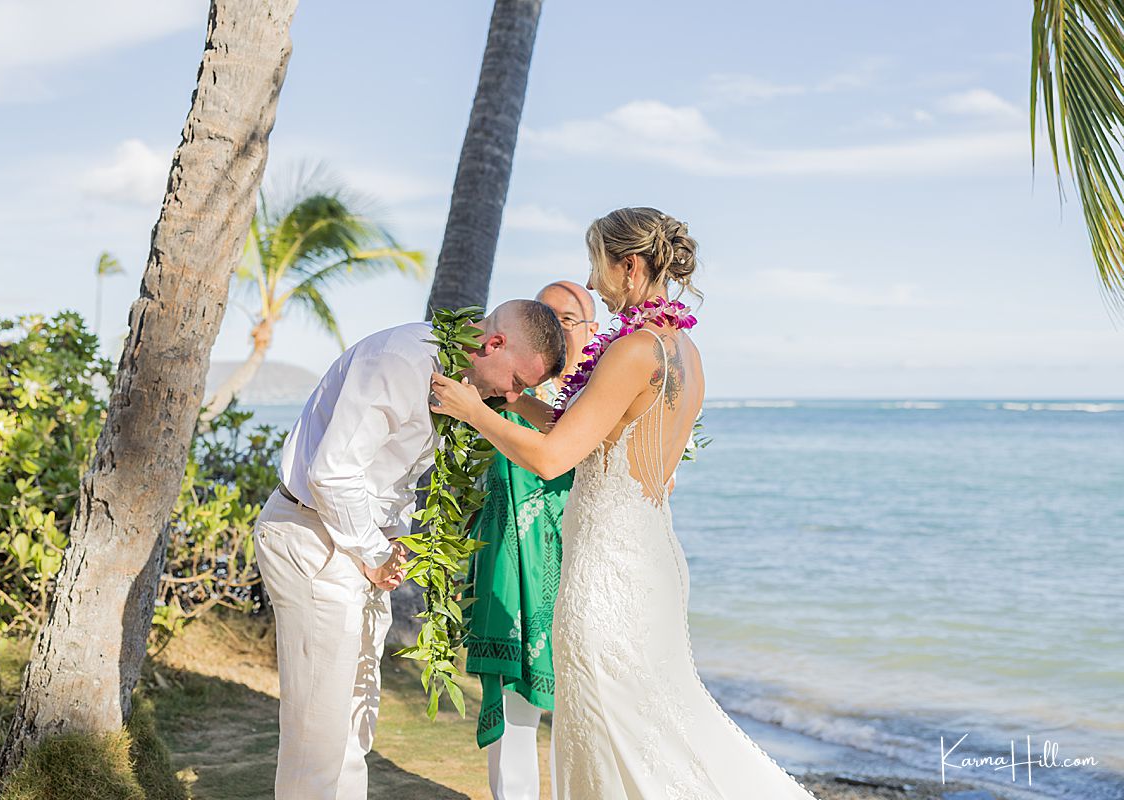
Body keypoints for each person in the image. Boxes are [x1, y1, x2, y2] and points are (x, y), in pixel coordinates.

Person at [430, 208, 820, 799]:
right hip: (651, 554)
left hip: (606, 567)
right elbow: (587, 435)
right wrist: (510, 399)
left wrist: (472, 411)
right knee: (651, 720)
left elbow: (553, 458)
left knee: (615, 724)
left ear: (630, 266)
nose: (591, 284)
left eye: (597, 266)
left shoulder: (634, 350)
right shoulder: (685, 352)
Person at [252, 300, 565, 800]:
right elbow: (331, 473)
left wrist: (392, 542)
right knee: (320, 731)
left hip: (354, 546)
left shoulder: (455, 380)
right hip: (313, 540)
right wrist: (377, 554)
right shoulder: (401, 361)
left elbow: (386, 476)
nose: (515, 394)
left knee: (356, 721)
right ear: (494, 343)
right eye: (518, 381)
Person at [465, 281, 600, 800]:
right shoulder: (499, 389)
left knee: (583, 710)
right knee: (517, 707)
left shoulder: (600, 401)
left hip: (576, 556)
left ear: (590, 332)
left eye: (569, 317)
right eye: (547, 314)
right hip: (510, 556)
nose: (557, 323)